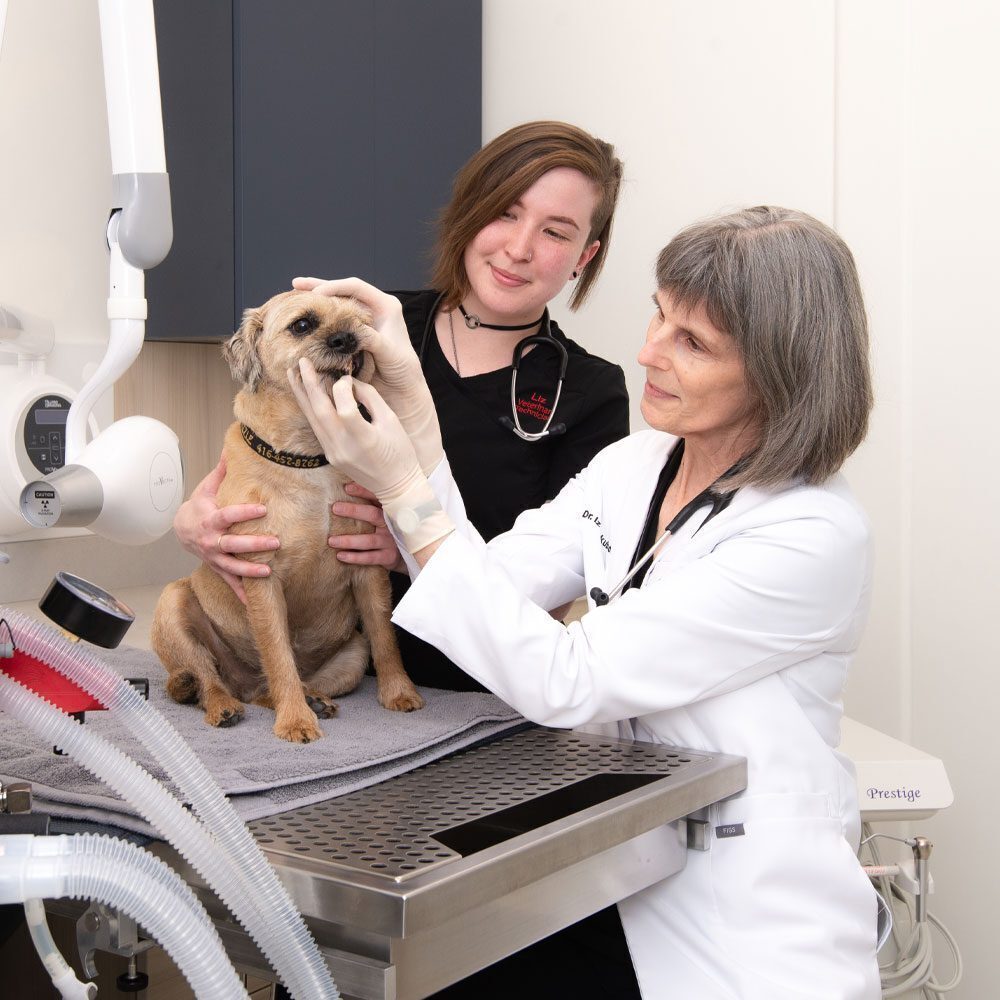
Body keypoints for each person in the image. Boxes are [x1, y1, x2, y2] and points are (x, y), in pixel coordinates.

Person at [288, 206, 882, 999]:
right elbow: (494, 588)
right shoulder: (636, 464)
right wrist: (419, 426)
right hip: (616, 877)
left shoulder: (812, 534)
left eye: (692, 343)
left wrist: (401, 484)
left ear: (782, 371)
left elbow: (566, 680)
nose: (648, 354)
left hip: (739, 927)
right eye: (659, 317)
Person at [173, 120, 629, 693]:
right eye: (505, 213)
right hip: (342, 681)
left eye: (555, 232)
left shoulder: (590, 392)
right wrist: (200, 522)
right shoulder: (367, 326)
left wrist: (412, 549)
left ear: (584, 256)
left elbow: (558, 592)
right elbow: (264, 446)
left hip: (475, 691)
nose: (519, 248)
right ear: (470, 211)